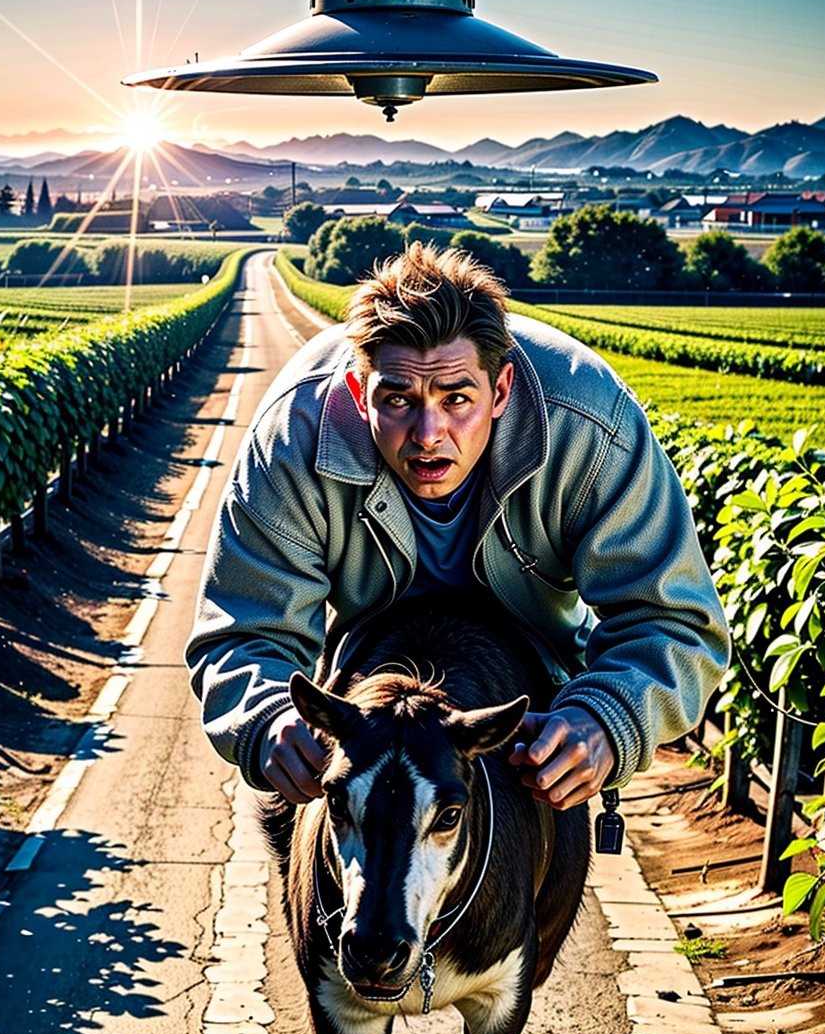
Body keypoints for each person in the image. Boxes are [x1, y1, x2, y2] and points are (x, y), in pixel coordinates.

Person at [186, 242, 730, 810]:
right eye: (398, 400)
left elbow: (674, 620)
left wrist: (606, 716)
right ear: (358, 395)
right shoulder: (291, 439)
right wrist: (269, 718)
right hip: (367, 668)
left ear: (500, 391)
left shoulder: (592, 428)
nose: (428, 433)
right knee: (291, 817)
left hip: (529, 681)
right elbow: (243, 629)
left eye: (456, 399)